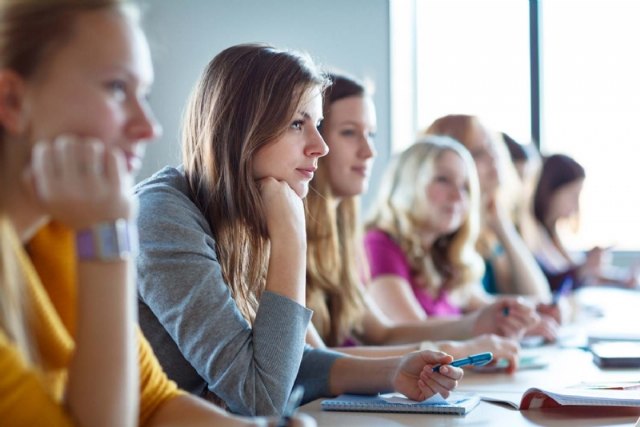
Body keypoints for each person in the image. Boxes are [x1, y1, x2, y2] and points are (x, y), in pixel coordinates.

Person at [0, 1, 312, 425]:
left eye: (143, 94)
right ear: (12, 101)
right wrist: (108, 239)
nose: (149, 127)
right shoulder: (106, 227)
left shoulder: (57, 234)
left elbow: (152, 401)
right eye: (115, 88)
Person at [135, 44, 463, 417]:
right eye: (297, 124)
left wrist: (393, 371)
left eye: (317, 125)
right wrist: (292, 237)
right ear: (241, 129)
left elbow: (280, 361)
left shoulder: (238, 216)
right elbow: (261, 395)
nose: (319, 146)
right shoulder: (162, 219)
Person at [304, 73, 524, 370]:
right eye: (348, 132)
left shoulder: (343, 236)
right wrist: (459, 346)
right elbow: (313, 361)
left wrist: (475, 326)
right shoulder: (372, 242)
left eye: (370, 135)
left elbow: (382, 333)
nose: (369, 151)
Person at [422, 115, 551, 300]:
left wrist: (502, 225)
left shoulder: (488, 226)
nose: (492, 157)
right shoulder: (447, 231)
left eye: (492, 146)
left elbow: (537, 294)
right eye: (478, 153)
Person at [523, 153, 638, 291]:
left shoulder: (552, 234)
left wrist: (620, 279)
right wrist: (583, 268)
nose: (576, 206)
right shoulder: (531, 233)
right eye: (572, 195)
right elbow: (548, 284)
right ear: (551, 191)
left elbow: (574, 273)